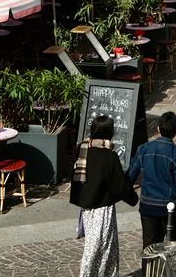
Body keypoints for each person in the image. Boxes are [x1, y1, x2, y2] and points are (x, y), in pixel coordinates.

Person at [70, 114, 137, 277]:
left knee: (98, 246)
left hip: (86, 207)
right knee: (102, 248)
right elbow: (119, 185)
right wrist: (133, 199)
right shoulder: (109, 156)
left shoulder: (82, 149)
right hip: (102, 209)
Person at [127, 111, 176, 248]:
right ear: (175, 132)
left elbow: (129, 177)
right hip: (171, 209)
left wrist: (133, 197)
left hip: (148, 207)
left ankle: (150, 270)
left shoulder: (143, 149)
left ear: (158, 129)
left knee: (150, 249)